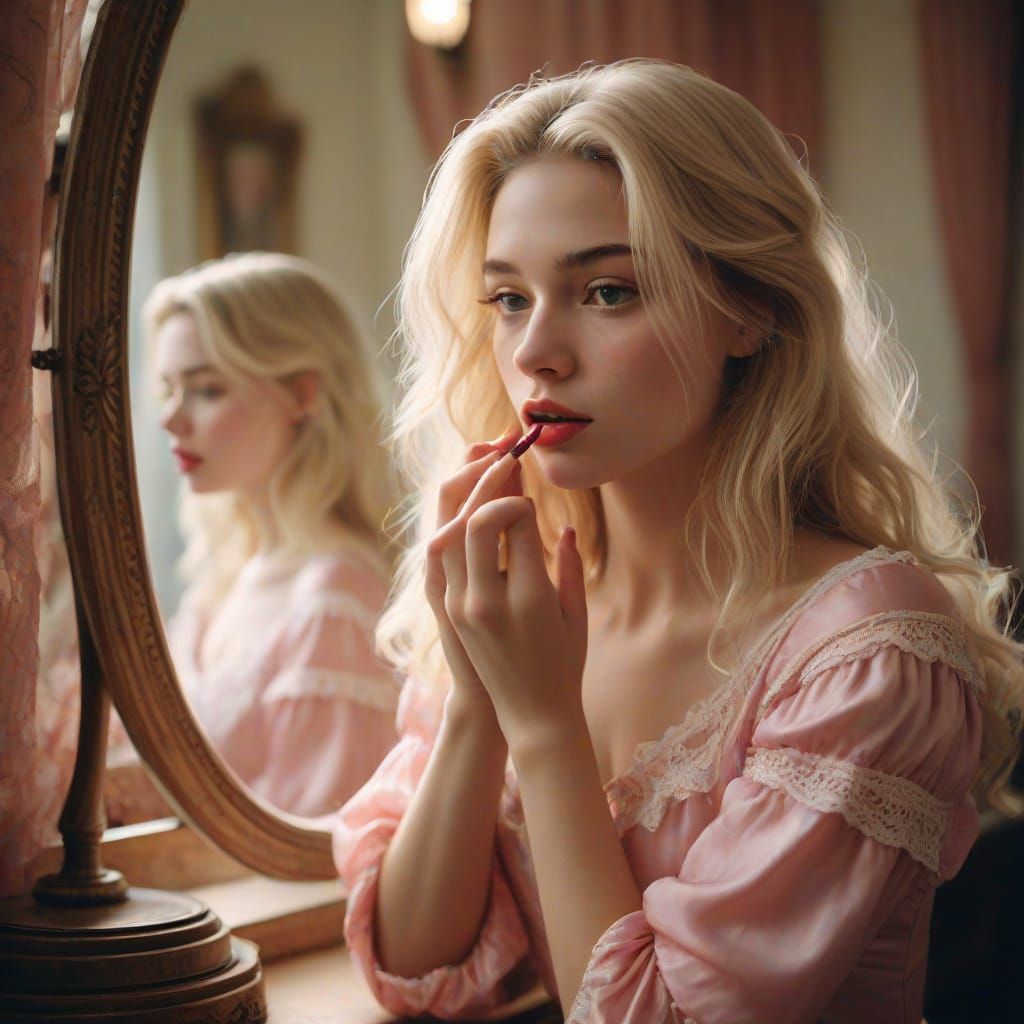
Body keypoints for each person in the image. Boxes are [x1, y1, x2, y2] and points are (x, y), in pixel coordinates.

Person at [333, 60, 1024, 1022]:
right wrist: (480, 703)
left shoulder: (868, 651)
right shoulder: (527, 600)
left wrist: (544, 725)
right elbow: (412, 968)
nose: (536, 351)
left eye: (608, 291)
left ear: (751, 310)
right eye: (508, 299)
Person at [144, 252, 399, 818]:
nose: (171, 418)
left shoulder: (333, 599)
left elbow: (315, 850)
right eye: (169, 387)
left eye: (206, 389)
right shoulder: (231, 570)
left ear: (302, 396)